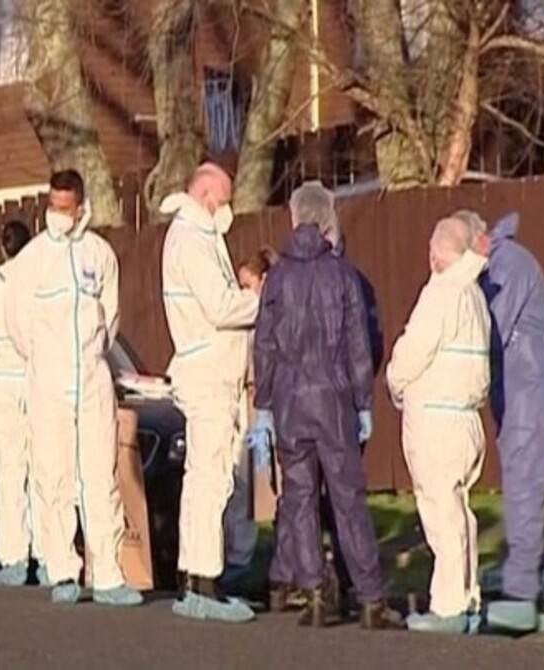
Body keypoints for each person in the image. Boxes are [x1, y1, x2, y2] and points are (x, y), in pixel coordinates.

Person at [248, 182, 402, 630]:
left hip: (291, 403)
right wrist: (363, 403)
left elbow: (265, 348)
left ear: (295, 219)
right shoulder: (343, 275)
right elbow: (358, 347)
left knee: (297, 500)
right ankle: (371, 598)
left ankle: (314, 593)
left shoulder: (277, 277)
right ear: (328, 219)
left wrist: (263, 407)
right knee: (349, 500)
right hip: (334, 401)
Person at [4, 170, 142, 607]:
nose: (59, 216)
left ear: (81, 206)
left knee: (100, 477)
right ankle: (63, 569)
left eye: (66, 208)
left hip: (92, 380)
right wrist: (46, 364)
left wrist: (90, 357)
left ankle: (108, 574)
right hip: (49, 382)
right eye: (53, 207)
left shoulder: (99, 255)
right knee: (53, 477)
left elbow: (111, 316)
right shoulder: (31, 261)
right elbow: (17, 325)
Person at [160, 162, 260, 622]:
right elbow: (221, 306)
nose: (226, 209)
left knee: (205, 477)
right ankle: (203, 578)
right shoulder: (193, 242)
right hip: (208, 373)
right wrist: (265, 301)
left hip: (211, 371)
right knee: (211, 478)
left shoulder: (198, 238)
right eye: (222, 200)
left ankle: (195, 575)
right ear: (204, 196)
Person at [456, 209, 544, 634]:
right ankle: (531, 583)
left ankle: (521, 595)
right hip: (519, 389)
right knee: (525, 485)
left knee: (524, 486)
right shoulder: (503, 263)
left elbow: (492, 328)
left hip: (527, 390)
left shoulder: (509, 265)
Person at [386, 218, 491, 634]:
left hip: (436, 419)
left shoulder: (440, 293)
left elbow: (411, 355)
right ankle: (467, 596)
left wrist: (396, 382)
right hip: (466, 418)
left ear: (437, 253)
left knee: (440, 511)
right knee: (460, 511)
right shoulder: (476, 296)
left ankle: (449, 606)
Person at [0, 220, 49, 587]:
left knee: (9, 473)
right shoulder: (36, 284)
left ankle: (14, 558)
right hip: (34, 379)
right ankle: (47, 555)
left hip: (3, 380)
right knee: (42, 470)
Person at [221, 248, 277, 594]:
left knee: (256, 485)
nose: (243, 293)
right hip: (241, 400)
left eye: (248, 284)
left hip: (261, 405)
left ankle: (245, 559)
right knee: (237, 483)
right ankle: (234, 556)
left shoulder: (268, 319)